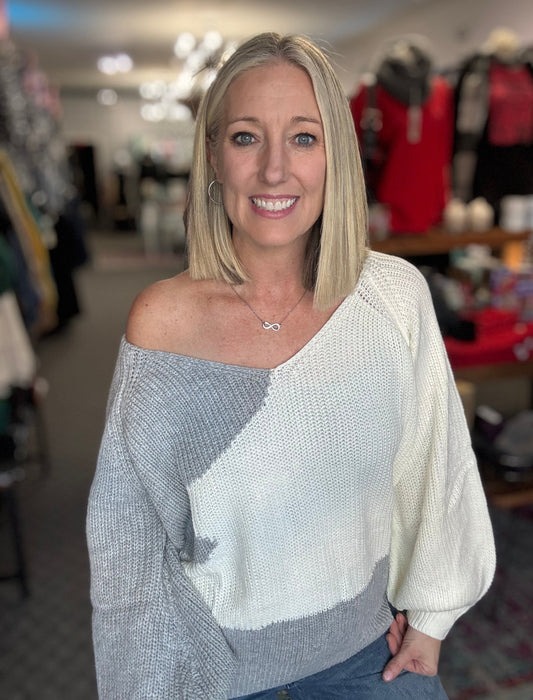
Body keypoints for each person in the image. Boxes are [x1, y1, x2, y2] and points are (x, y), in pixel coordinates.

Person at [87, 32, 496, 699]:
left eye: (304, 138)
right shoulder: (163, 320)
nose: (275, 170)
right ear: (213, 155)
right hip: (214, 674)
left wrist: (432, 617)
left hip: (369, 660)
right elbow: (129, 543)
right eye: (246, 137)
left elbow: (436, 464)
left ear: (336, 155)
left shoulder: (392, 297)